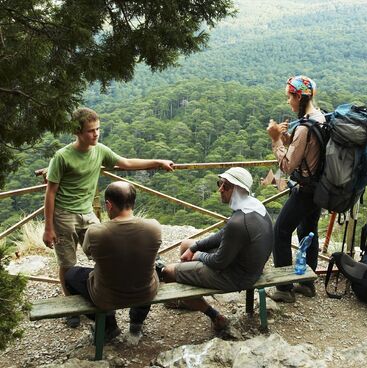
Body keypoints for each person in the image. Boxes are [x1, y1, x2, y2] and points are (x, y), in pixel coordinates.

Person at [42, 107, 173, 328]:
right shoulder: (62, 156)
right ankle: (70, 306)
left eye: (98, 129)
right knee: (67, 262)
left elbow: (126, 163)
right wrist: (48, 227)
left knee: (106, 248)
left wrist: (158, 162)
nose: (96, 134)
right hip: (64, 215)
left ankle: (105, 290)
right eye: (90, 131)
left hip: (88, 212)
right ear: (77, 132)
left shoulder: (99, 150)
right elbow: (50, 192)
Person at [158, 167, 273, 332]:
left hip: (237, 277)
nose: (220, 189)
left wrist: (198, 255)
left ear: (237, 189)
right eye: (220, 183)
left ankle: (214, 316)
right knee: (186, 245)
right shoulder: (254, 207)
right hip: (250, 266)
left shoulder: (239, 222)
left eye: (225, 186)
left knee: (168, 272)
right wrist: (195, 247)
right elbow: (224, 233)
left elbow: (219, 262)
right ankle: (191, 292)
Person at [64, 181, 162, 341]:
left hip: (106, 296)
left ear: (109, 205)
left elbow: (88, 252)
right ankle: (136, 323)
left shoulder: (96, 232)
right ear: (133, 202)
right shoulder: (154, 227)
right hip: (145, 292)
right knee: (154, 265)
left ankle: (109, 325)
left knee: (70, 275)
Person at [266, 75, 325, 303]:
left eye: (290, 97)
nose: (288, 102)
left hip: (305, 190)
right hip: (320, 189)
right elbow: (310, 151)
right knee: (308, 232)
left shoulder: (304, 127)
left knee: (279, 230)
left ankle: (283, 288)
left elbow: (288, 166)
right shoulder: (320, 117)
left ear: (299, 97)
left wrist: (275, 140)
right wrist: (288, 138)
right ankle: (307, 284)